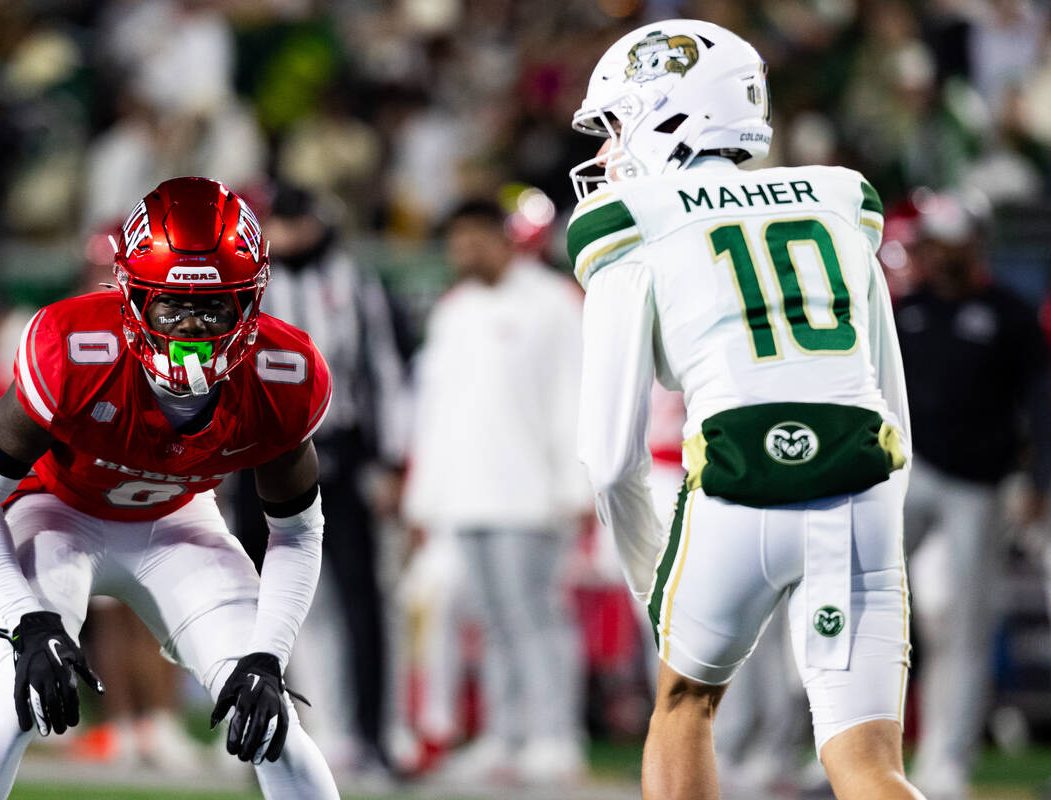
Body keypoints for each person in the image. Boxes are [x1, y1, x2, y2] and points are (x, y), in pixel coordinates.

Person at [568, 20, 922, 800]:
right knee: (868, 764)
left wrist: (648, 576)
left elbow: (611, 455)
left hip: (736, 481)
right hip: (860, 484)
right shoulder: (841, 197)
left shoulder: (630, 223)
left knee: (684, 705)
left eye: (617, 124)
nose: (605, 153)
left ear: (669, 114)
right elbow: (891, 404)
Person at [0, 176, 340, 800]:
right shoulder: (73, 347)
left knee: (268, 712)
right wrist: (26, 621)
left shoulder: (283, 374)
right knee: (20, 697)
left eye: (213, 308)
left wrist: (268, 656)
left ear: (251, 302)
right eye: (172, 306)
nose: (192, 331)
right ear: (130, 296)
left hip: (178, 524)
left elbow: (297, 530)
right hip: (57, 513)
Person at [402, 199, 593, 786]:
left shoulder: (554, 303)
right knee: (492, 623)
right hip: (466, 493)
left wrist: (576, 486)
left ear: (500, 239)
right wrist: (423, 499)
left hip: (532, 494)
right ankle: (505, 737)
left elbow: (575, 396)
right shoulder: (453, 312)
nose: (461, 252)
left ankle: (556, 736)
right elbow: (435, 411)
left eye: (471, 239)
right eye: (455, 241)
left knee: (536, 618)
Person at [235, 183, 410, 776]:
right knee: (254, 595)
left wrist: (388, 460)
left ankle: (373, 733)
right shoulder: (249, 287)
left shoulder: (357, 285)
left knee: (363, 600)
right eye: (276, 224)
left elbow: (384, 374)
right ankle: (255, 723)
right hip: (257, 452)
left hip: (341, 451)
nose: (285, 236)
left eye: (294, 222)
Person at [895, 192, 1051, 800]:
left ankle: (947, 762)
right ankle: (841, 747)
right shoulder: (907, 309)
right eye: (933, 244)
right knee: (857, 603)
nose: (939, 256)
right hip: (904, 473)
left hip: (977, 485)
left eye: (950, 245)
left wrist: (1037, 479)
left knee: (965, 624)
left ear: (974, 247)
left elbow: (1039, 403)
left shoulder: (1009, 315)